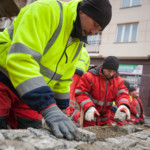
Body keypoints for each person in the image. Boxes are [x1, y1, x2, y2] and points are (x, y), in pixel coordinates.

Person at [0, 0, 112, 140]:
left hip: (29, 92)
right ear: (83, 11)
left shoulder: (77, 41)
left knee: (31, 134)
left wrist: (61, 109)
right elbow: (21, 59)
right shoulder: (46, 10)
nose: (93, 32)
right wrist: (49, 109)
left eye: (99, 30)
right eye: (95, 24)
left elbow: (64, 77)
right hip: (3, 78)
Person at [74, 56, 131, 127]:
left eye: (114, 71)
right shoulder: (89, 76)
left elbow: (122, 94)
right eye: (109, 71)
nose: (111, 74)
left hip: (105, 119)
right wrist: (89, 107)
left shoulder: (118, 81)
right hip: (89, 117)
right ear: (103, 68)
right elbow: (80, 93)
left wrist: (124, 104)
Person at [66, 45, 90, 117]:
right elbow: (87, 67)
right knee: (75, 94)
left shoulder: (77, 48)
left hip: (73, 72)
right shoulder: (87, 54)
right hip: (81, 75)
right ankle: (72, 112)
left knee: (69, 92)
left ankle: (67, 111)